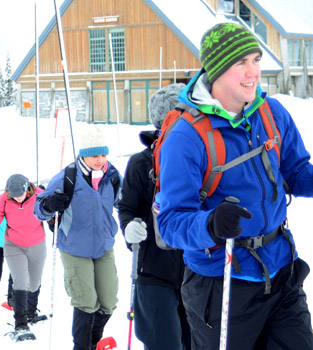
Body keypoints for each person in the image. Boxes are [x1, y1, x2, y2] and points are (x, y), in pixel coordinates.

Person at [155, 22, 313, 349]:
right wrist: (210, 224)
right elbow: (170, 222)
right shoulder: (186, 138)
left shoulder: (271, 113)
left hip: (281, 271)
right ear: (218, 69)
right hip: (220, 282)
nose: (253, 71)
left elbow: (294, 173)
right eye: (242, 62)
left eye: (256, 59)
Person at [117, 83, 191, 350]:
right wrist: (129, 228)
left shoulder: (200, 158)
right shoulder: (141, 163)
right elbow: (127, 208)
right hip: (154, 271)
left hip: (196, 272)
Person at [34, 125, 121, 350]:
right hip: (74, 247)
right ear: (83, 153)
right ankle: (81, 346)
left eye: (103, 154)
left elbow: (124, 203)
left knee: (108, 302)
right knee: (86, 302)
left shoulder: (112, 176)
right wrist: (48, 204)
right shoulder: (68, 177)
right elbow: (38, 208)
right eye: (95, 155)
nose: (100, 159)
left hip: (103, 246)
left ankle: (92, 342)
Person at [0, 174, 47, 341]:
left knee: (35, 281)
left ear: (27, 189)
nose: (16, 197)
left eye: (19, 194)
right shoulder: (4, 199)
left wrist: (54, 203)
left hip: (37, 243)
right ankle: (21, 324)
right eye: (12, 194)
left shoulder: (39, 194)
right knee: (20, 281)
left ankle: (31, 312)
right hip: (13, 244)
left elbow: (49, 211)